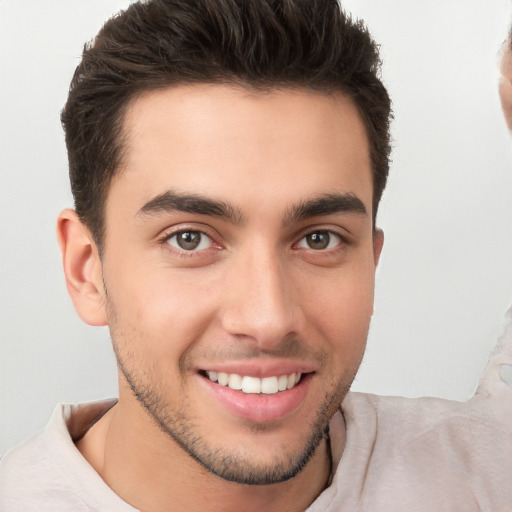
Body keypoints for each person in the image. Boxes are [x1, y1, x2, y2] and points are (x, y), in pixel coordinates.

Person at [0, 1, 510, 510]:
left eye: (319, 239)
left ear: (371, 264)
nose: (268, 319)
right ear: (86, 269)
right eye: (190, 239)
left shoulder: (488, 473)